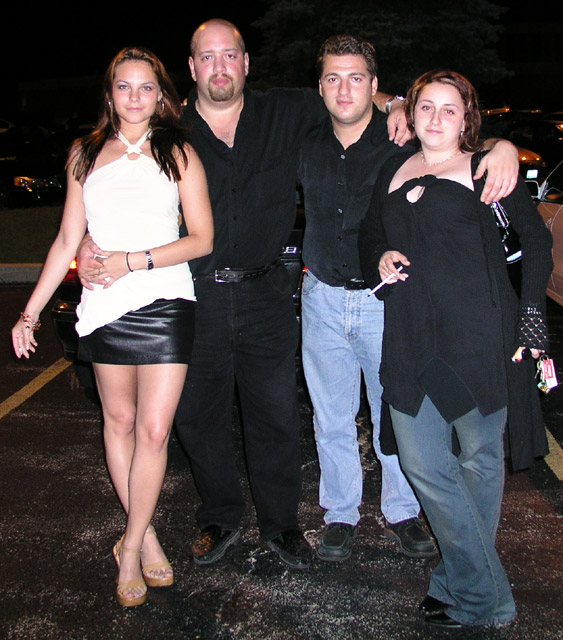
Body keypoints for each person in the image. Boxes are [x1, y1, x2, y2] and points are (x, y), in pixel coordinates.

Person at [78, 19, 518, 571]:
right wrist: (92, 239)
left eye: (230, 55)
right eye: (207, 57)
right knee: (199, 417)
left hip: (268, 291)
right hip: (196, 292)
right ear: (191, 67)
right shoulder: (169, 127)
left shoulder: (286, 111)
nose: (219, 66)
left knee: (277, 414)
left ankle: (281, 525)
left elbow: (359, 96)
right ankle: (219, 516)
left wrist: (404, 105)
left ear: (245, 63)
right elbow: (117, 182)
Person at [298, 36, 521, 562]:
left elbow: (456, 141)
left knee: (397, 413)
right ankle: (340, 513)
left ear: (375, 86)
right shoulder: (304, 142)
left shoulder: (400, 139)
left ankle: (401, 510)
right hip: (321, 298)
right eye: (333, 78)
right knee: (331, 417)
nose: (344, 89)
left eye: (356, 78)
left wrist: (503, 147)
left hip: (387, 304)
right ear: (320, 88)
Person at [12, 46, 214, 607]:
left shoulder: (179, 151)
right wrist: (30, 312)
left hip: (165, 301)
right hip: (104, 306)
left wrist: (130, 261)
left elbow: (202, 239)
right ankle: (143, 535)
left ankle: (126, 549)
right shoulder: (84, 153)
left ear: (162, 95)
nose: (135, 97)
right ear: (109, 95)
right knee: (119, 422)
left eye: (146, 87)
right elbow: (66, 239)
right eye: (124, 86)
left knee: (154, 431)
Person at [358, 70, 552, 628]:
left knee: (479, 463)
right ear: (411, 112)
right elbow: (370, 232)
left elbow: (536, 242)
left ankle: (461, 587)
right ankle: (485, 594)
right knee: (423, 465)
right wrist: (379, 256)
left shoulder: (485, 166)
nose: (437, 118)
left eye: (450, 109)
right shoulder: (394, 168)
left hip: (478, 338)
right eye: (426, 107)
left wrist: (532, 317)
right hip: (410, 336)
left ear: (467, 117)